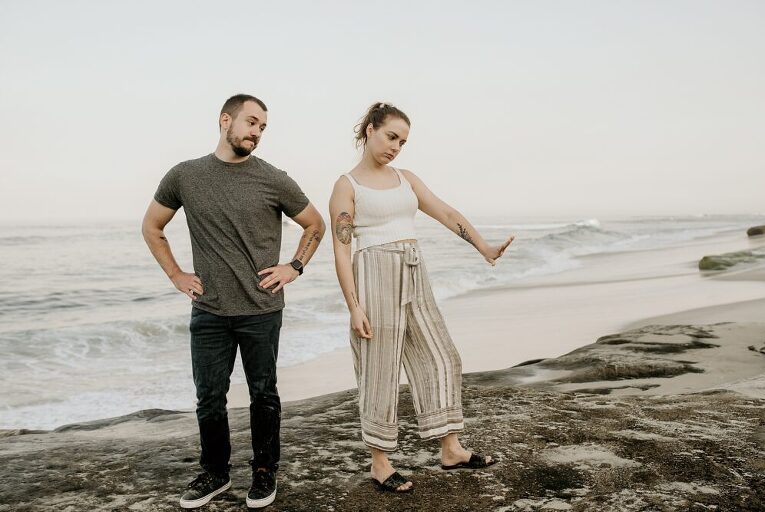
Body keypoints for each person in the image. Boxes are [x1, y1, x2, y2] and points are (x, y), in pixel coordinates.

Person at [142, 94, 325, 509]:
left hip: (261, 310)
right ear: (225, 120)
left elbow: (315, 223)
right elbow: (153, 227)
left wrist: (294, 266)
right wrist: (175, 274)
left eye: (263, 127)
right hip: (208, 310)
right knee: (209, 397)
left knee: (264, 394)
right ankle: (215, 473)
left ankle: (264, 472)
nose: (257, 133)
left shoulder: (273, 178)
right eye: (252, 123)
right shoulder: (185, 176)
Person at [328, 102, 514, 493]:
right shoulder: (347, 185)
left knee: (442, 355)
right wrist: (354, 306)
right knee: (379, 369)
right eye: (391, 136)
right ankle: (380, 463)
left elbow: (444, 212)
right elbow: (341, 249)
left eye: (403, 141)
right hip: (374, 273)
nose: (396, 146)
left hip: (414, 270)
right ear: (370, 130)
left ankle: (451, 449)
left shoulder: (406, 178)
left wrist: (483, 247)